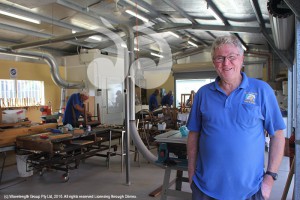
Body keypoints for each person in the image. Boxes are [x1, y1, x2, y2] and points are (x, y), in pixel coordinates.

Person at [186, 35, 286, 200]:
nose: (226, 63)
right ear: (213, 62)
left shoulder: (262, 90)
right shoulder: (203, 94)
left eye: (232, 57)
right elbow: (194, 134)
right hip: (205, 189)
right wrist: (191, 173)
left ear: (242, 59)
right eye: (220, 58)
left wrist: (270, 177)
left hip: (250, 191)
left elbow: (278, 134)